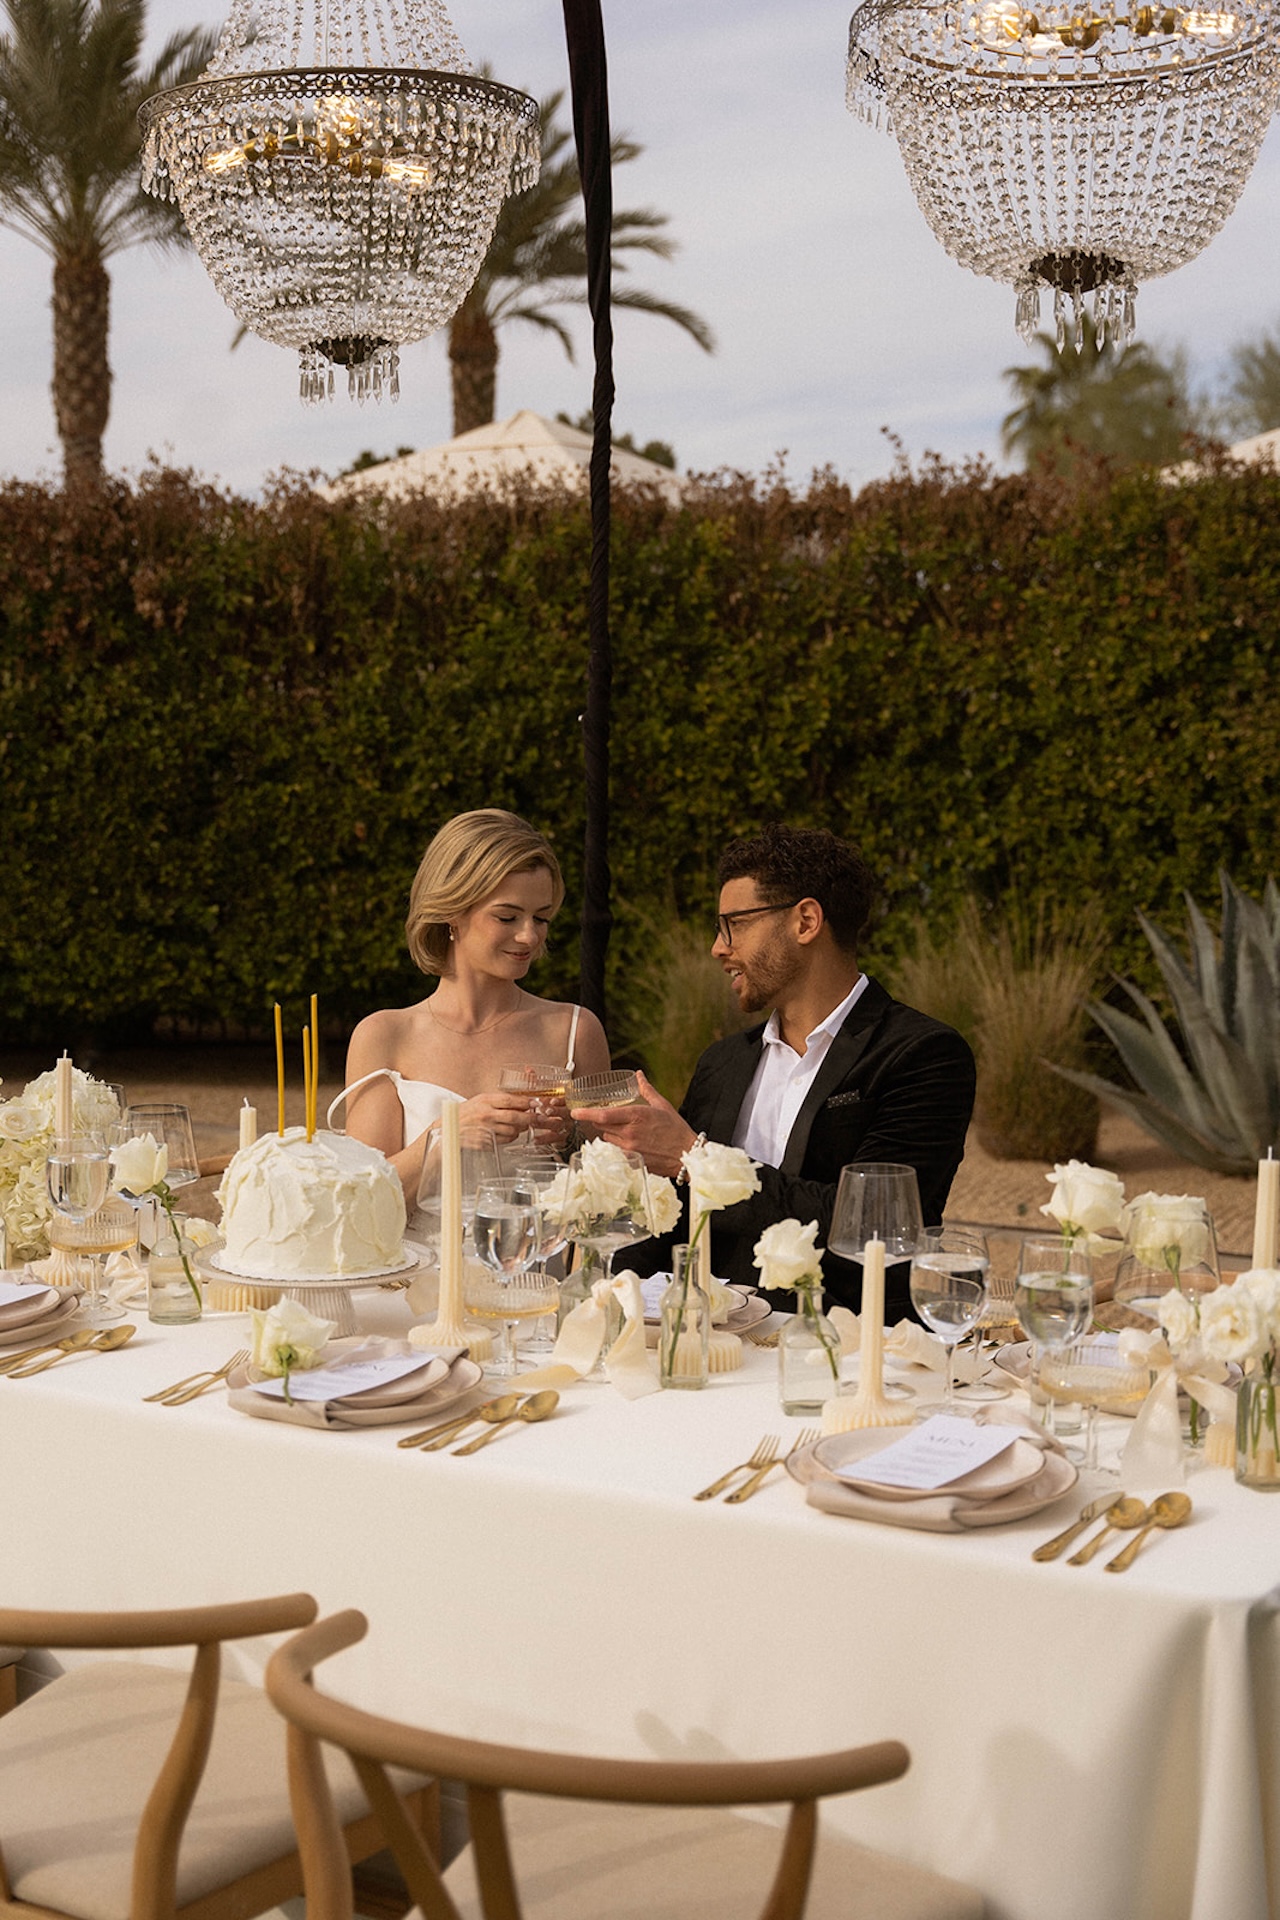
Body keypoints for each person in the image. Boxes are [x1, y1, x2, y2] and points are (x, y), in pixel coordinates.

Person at [574, 824, 975, 1321]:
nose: (718, 947)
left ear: (805, 921)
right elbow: (669, 1220)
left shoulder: (923, 1053)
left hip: (846, 1342)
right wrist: (607, 1300)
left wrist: (696, 1158)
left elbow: (873, 1223)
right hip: (713, 1338)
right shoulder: (722, 1062)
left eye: (734, 925)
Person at [340, 809, 610, 1199]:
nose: (529, 936)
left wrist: (568, 1137)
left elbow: (609, 1187)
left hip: (537, 1240)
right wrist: (446, 1135)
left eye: (541, 918)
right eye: (507, 917)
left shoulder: (574, 1031)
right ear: (452, 911)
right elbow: (360, 1200)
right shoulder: (383, 1035)